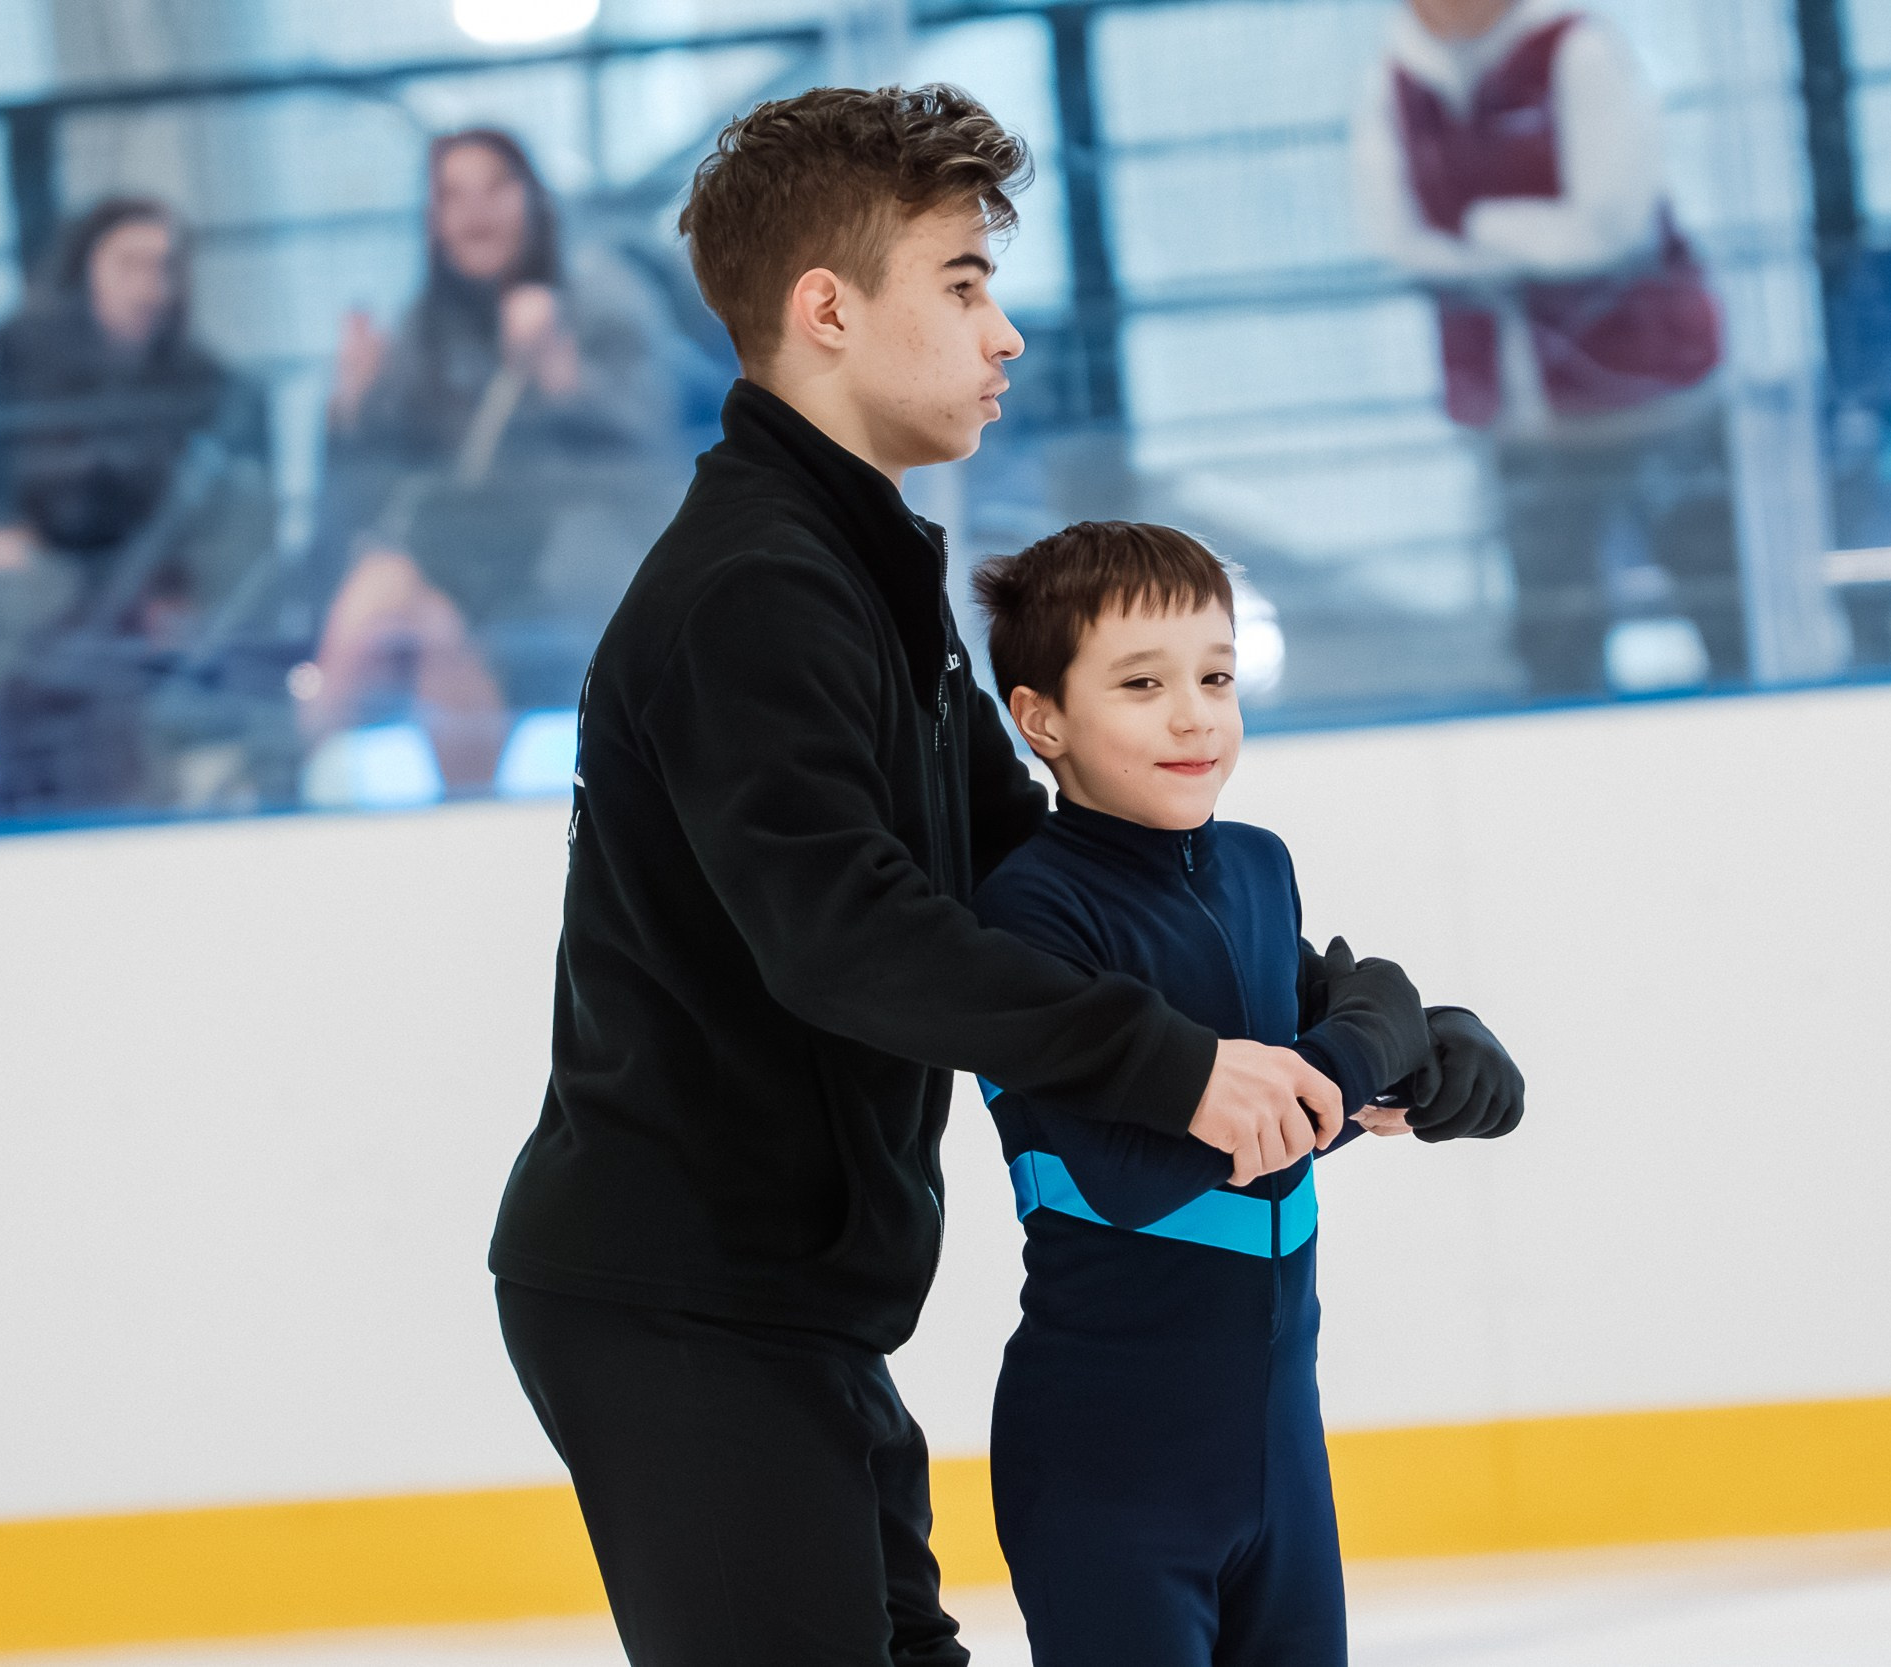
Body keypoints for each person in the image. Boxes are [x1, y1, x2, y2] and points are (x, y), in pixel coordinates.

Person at [487, 86, 1498, 1665]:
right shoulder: (757, 593)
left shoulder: (860, 569)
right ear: (828, 310)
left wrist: (1341, 1016)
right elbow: (850, 934)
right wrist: (1181, 1069)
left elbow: (1043, 872)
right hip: (684, 1302)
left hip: (787, 1301)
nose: (1005, 332)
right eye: (963, 285)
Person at [969, 521, 1523, 1666]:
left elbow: (1304, 1056)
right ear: (1041, 718)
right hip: (1109, 1467)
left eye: (1215, 677)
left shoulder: (1259, 867)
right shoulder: (1031, 910)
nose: (1194, 715)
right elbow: (1136, 1173)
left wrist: (1432, 1049)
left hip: (1280, 1457)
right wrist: (1364, 1045)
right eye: (1142, 684)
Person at [1354, 0, 1739, 697]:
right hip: (1520, 413)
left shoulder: (1577, 49)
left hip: (1649, 392)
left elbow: (1609, 227)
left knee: (1714, 598)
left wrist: (1484, 230)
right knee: (1556, 629)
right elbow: (1397, 239)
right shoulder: (1396, 78)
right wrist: (1529, 243)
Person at [304, 127, 685, 792]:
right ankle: (310, 788)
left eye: (494, 188)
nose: (475, 211)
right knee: (414, 619)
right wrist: (350, 410)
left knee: (407, 605)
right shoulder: (424, 327)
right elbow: (368, 488)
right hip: (460, 570)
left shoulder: (598, 293)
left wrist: (565, 377)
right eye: (453, 195)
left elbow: (660, 436)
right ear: (433, 220)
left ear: (533, 200)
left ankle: (283, 782)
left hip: (572, 568)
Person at [0, 195, 272, 813]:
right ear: (86, 271)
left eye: (163, 267)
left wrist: (178, 589)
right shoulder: (13, 361)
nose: (149, 285)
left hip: (149, 616)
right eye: (129, 264)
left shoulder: (211, 389)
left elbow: (232, 519)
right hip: (46, 603)